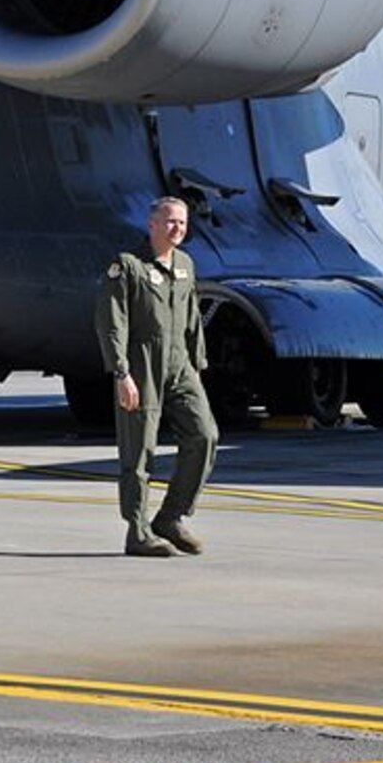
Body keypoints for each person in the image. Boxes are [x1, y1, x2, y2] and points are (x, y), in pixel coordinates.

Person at [94, 196, 219, 557]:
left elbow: (193, 317)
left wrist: (198, 365)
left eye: (181, 222)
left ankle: (172, 516)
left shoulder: (185, 264)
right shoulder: (127, 266)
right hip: (141, 364)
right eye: (169, 222)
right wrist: (121, 372)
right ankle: (137, 531)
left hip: (180, 365)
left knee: (205, 435)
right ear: (151, 225)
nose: (177, 228)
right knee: (139, 451)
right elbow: (111, 322)